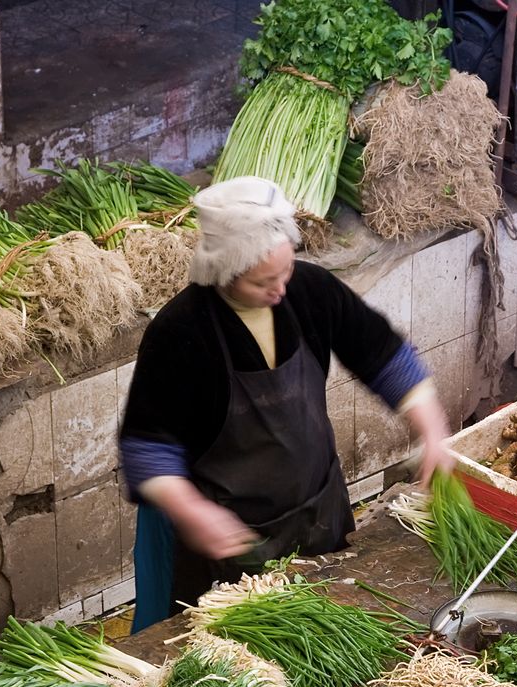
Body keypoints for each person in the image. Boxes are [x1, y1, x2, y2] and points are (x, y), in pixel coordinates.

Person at [119, 175, 456, 630]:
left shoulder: (310, 290)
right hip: (232, 545)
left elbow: (381, 353)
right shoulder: (180, 331)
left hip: (316, 515)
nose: (279, 290)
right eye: (263, 283)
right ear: (225, 273)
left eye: (286, 271)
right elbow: (147, 447)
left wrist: (431, 427)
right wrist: (191, 511)